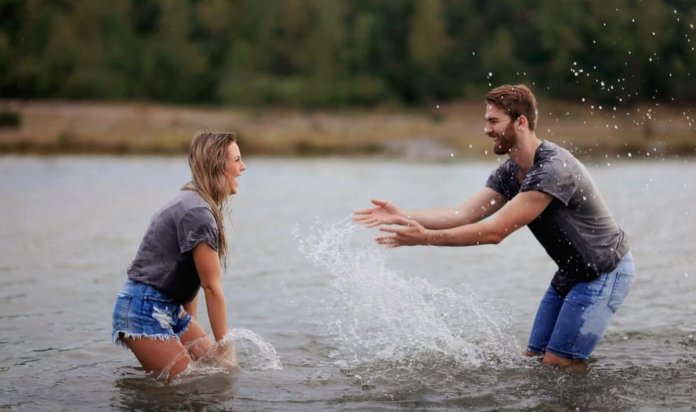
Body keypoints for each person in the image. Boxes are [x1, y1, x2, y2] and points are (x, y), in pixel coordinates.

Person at [353, 84, 634, 369]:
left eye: (493, 121)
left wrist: (425, 238)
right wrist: (405, 216)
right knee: (535, 361)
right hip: (571, 272)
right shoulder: (511, 171)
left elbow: (494, 231)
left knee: (559, 362)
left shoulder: (552, 169)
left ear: (520, 122)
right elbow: (463, 214)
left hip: (603, 271)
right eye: (486, 121)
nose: (486, 129)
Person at [111, 130, 245, 381]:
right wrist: (225, 347)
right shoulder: (198, 212)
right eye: (237, 160)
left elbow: (190, 278)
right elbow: (211, 286)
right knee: (192, 384)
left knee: (217, 372)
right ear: (218, 165)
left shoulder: (196, 202)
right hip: (144, 309)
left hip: (167, 307)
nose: (243, 167)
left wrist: (187, 335)